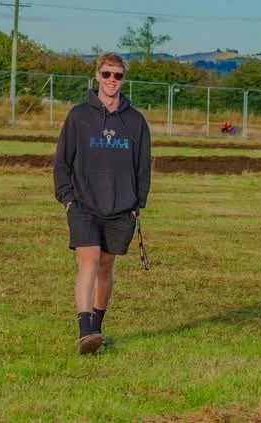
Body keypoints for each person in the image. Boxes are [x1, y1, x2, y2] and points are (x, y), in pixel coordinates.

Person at [53, 52, 152, 355]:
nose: (112, 81)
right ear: (97, 76)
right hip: (83, 205)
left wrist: (137, 204)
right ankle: (85, 332)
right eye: (107, 74)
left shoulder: (135, 121)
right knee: (90, 261)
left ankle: (96, 326)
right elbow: (61, 162)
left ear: (123, 79)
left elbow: (143, 166)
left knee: (106, 267)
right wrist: (68, 199)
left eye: (118, 75)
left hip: (120, 208)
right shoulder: (79, 116)